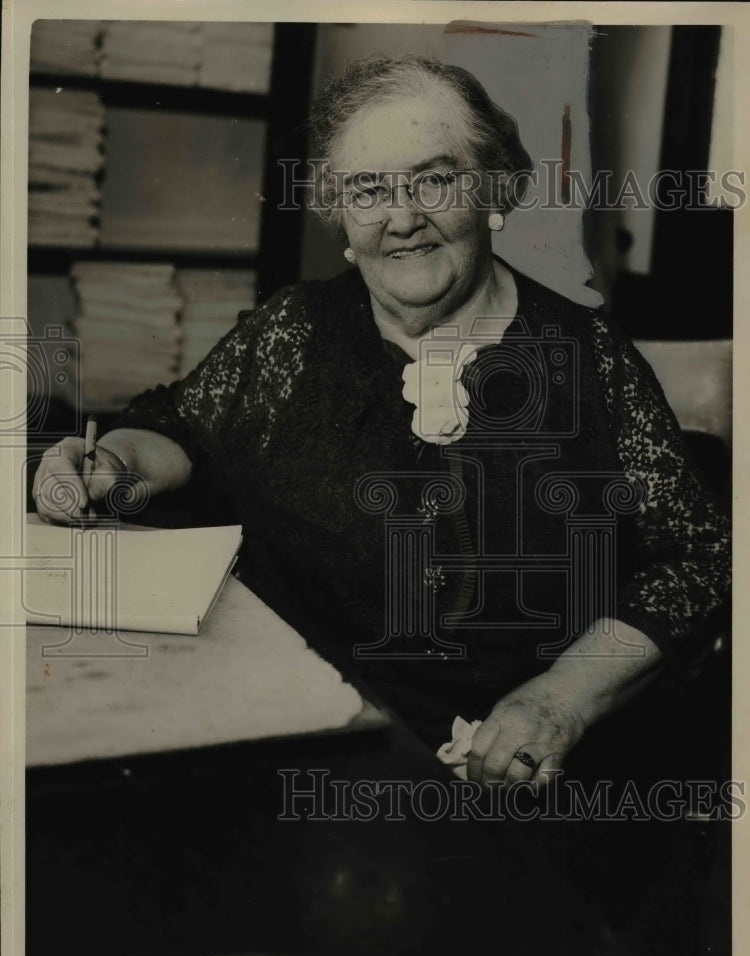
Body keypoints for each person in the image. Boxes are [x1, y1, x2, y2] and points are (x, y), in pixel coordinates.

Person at [33, 55, 730, 788]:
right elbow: (181, 431)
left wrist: (560, 700)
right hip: (291, 733)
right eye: (368, 190)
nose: (402, 220)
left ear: (493, 191)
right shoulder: (295, 330)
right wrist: (110, 465)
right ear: (339, 215)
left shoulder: (591, 361)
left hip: (499, 768)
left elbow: (700, 561)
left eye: (435, 181)